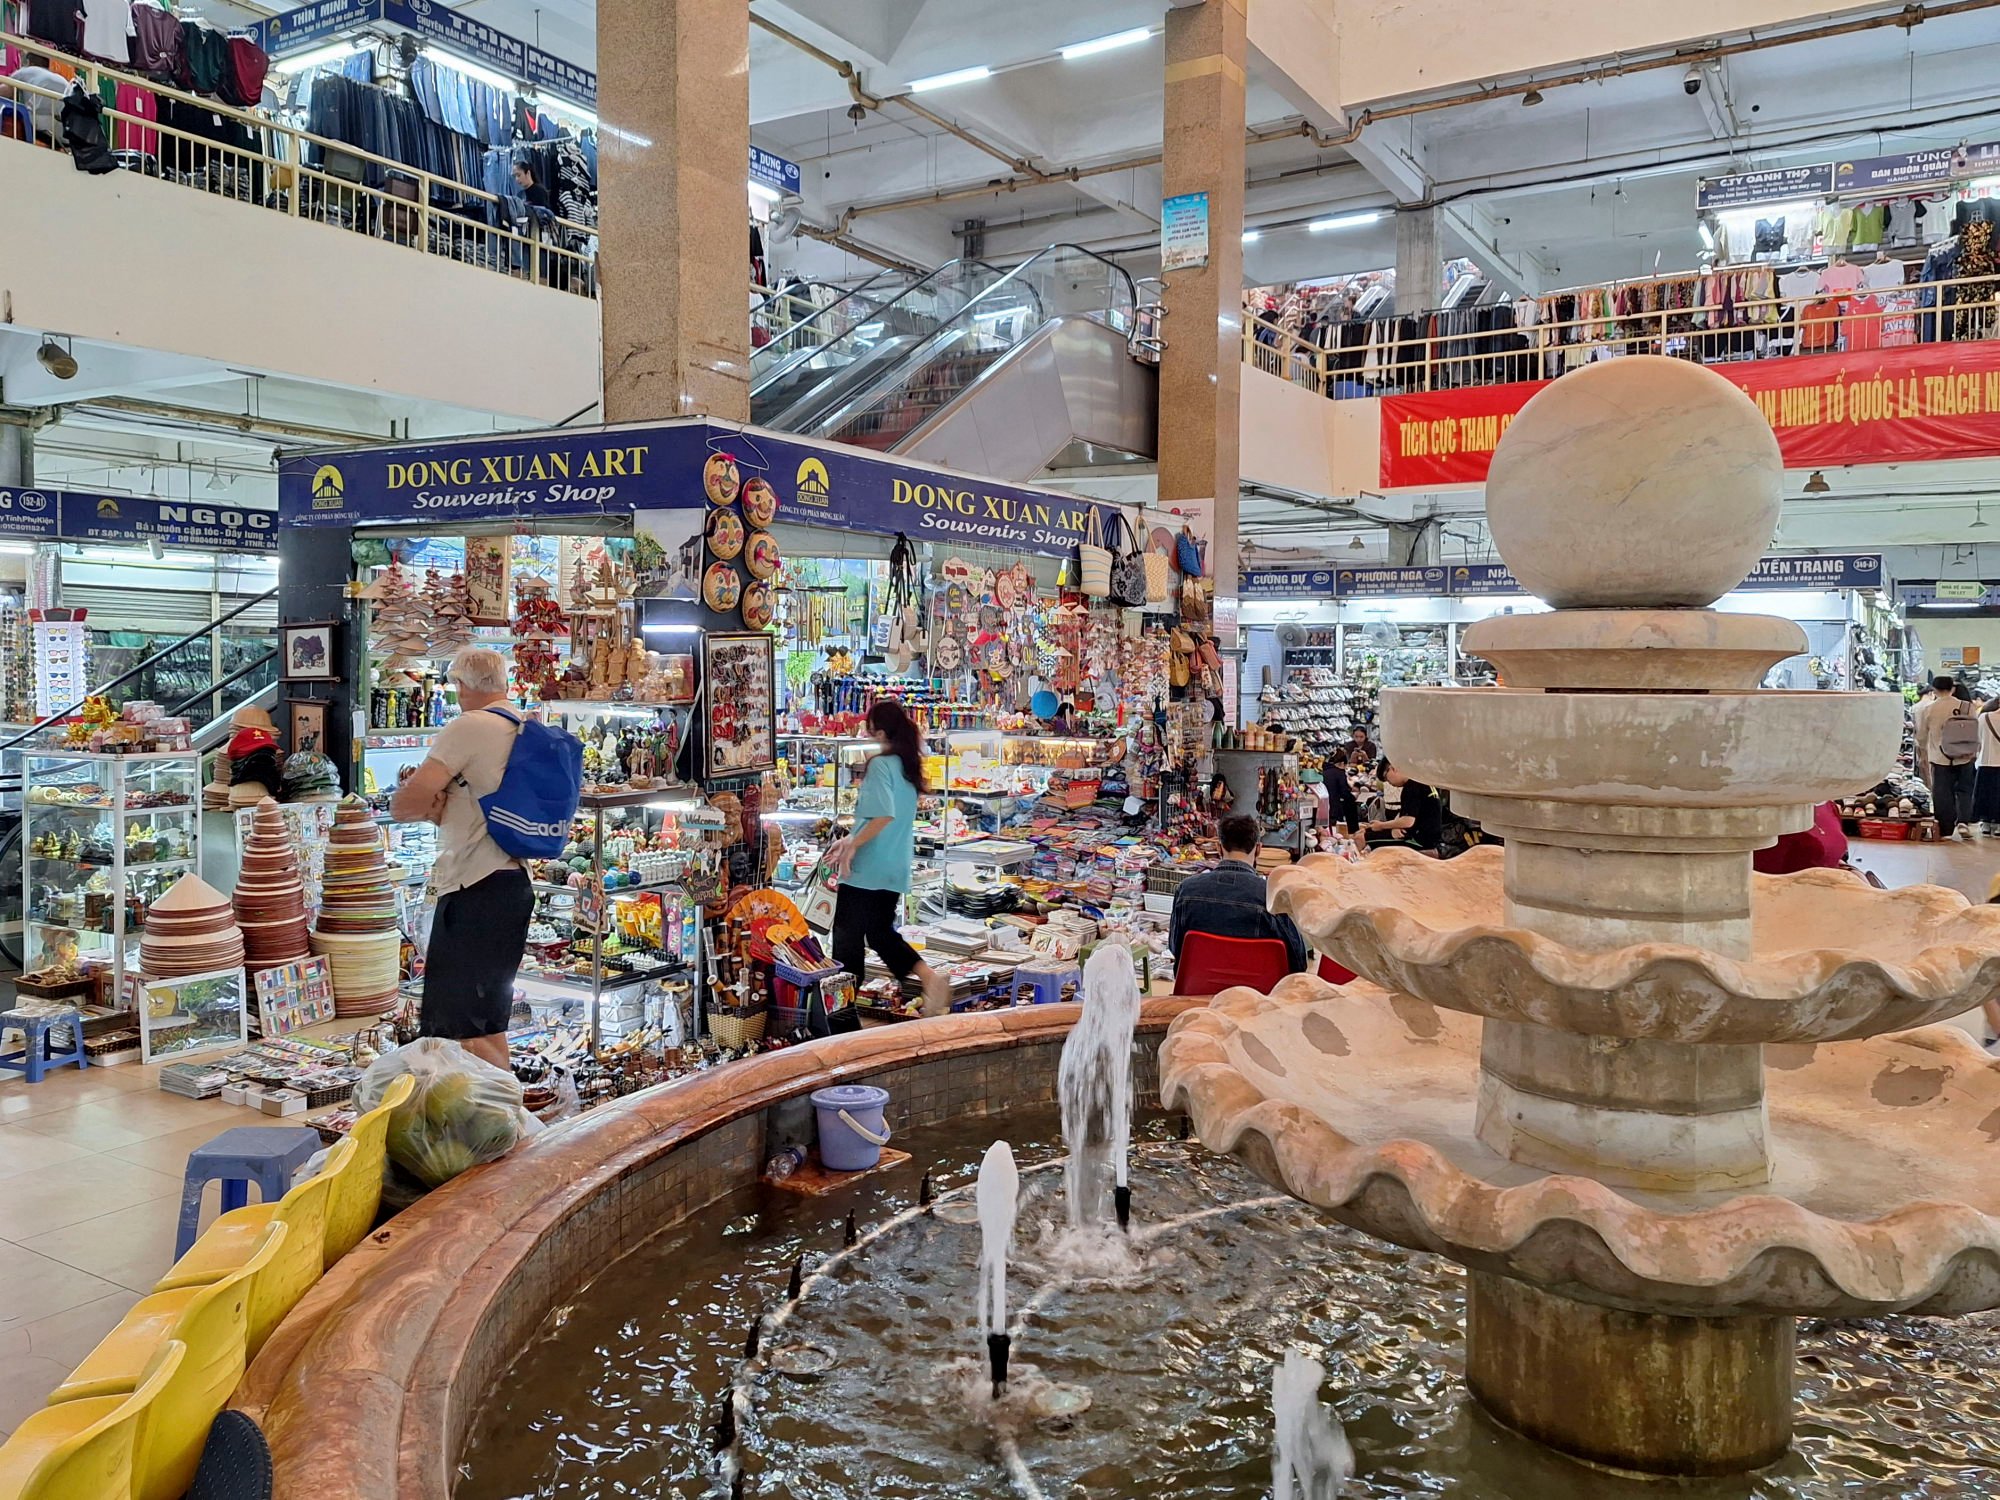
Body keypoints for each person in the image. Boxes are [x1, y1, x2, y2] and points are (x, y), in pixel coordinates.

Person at [390, 647, 536, 1071]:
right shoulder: (522, 725)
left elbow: (406, 803)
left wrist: (432, 799)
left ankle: (495, 1117)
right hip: (512, 883)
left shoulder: (469, 726)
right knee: (486, 1018)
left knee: (461, 1026)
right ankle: (499, 1120)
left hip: (475, 884)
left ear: (462, 685)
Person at [824, 699, 952, 1015]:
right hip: (893, 866)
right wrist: (849, 840)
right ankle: (930, 979)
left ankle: (843, 1011)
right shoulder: (907, 766)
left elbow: (883, 816)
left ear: (880, 732)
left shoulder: (881, 765)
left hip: (868, 867)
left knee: (847, 939)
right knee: (880, 933)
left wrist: (852, 847)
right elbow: (880, 818)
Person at [1169, 813, 1307, 974]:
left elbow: (1175, 947)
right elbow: (1298, 961)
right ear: (1259, 849)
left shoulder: (1186, 891)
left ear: (1219, 848)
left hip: (1196, 992)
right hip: (1258, 995)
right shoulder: (1272, 897)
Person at [1916, 675, 1981, 839]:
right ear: (1952, 688)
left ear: (1934, 689)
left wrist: (1923, 752)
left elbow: (1922, 735)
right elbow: (1975, 730)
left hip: (1940, 757)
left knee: (1942, 793)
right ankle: (1963, 822)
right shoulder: (1967, 706)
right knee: (1965, 790)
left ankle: (1945, 829)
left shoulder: (1929, 709)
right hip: (1965, 755)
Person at [1364, 758, 1443, 852]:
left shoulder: (1411, 787)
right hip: (1430, 837)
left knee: (1364, 837)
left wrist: (1381, 826)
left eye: (1386, 778)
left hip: (1419, 840)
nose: (1388, 782)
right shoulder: (1422, 781)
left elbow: (1408, 821)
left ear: (1393, 768)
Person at [1976, 694, 2000, 836]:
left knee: (1985, 793)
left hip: (1985, 761)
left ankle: (1985, 823)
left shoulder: (1984, 718)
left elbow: (1978, 739)